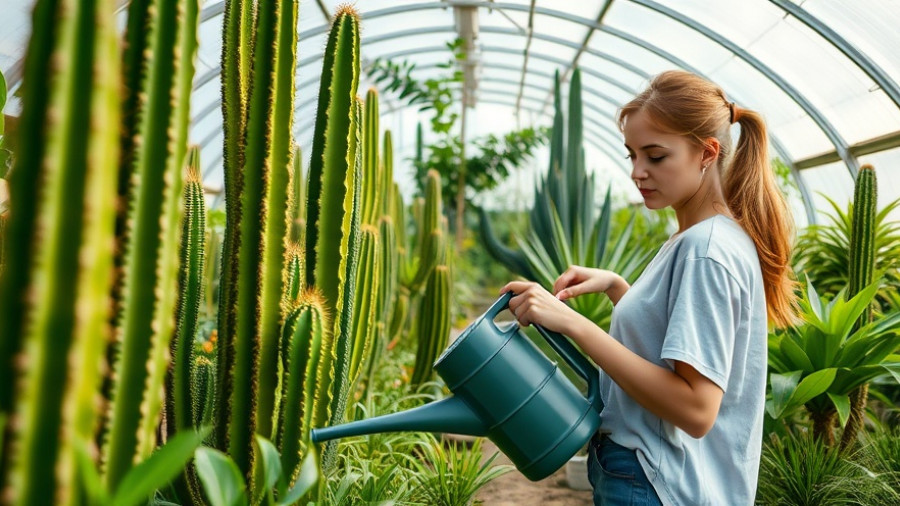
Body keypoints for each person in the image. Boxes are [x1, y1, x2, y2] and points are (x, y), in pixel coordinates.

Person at [500, 70, 797, 505]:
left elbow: (695, 409)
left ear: (707, 153)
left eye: (655, 156)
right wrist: (620, 289)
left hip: (658, 484)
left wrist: (575, 325)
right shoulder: (702, 238)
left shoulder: (705, 251)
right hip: (660, 479)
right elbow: (675, 343)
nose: (638, 172)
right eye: (632, 155)